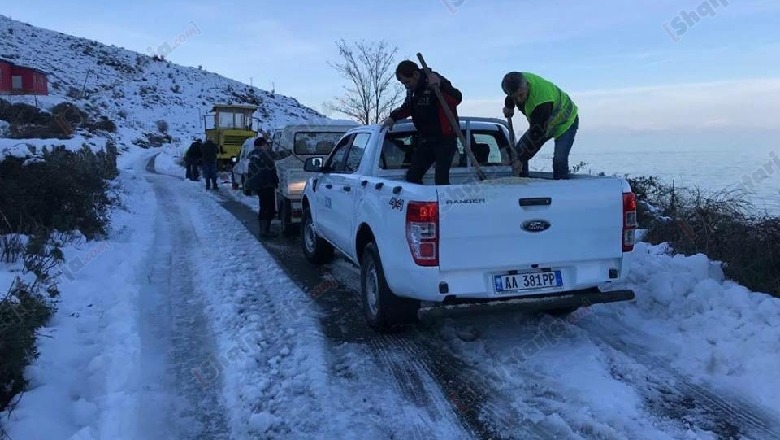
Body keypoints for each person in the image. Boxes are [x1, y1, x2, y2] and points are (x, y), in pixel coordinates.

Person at [382, 60, 463, 185]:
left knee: (441, 179)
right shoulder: (412, 90)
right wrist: (393, 117)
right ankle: (422, 202)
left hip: (444, 139)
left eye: (407, 82)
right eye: (403, 83)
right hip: (426, 139)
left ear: (415, 74)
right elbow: (408, 107)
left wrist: (440, 85)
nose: (406, 86)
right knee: (412, 176)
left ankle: (444, 203)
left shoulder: (434, 80)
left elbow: (457, 98)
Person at [501, 71, 579, 180]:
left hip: (566, 121)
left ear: (527, 85)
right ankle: (522, 185)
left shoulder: (541, 101)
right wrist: (509, 107)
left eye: (521, 95)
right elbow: (510, 96)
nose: (519, 100)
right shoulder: (516, 82)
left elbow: (537, 135)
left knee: (559, 159)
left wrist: (520, 160)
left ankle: (561, 190)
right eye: (515, 97)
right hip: (543, 124)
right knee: (518, 153)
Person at [245, 136, 279, 238]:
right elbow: (277, 156)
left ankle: (264, 230)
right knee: (267, 208)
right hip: (266, 184)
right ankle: (264, 232)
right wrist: (290, 152)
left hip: (260, 185)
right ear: (262, 145)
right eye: (266, 145)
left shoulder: (253, 154)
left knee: (264, 207)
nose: (267, 146)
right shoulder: (264, 153)